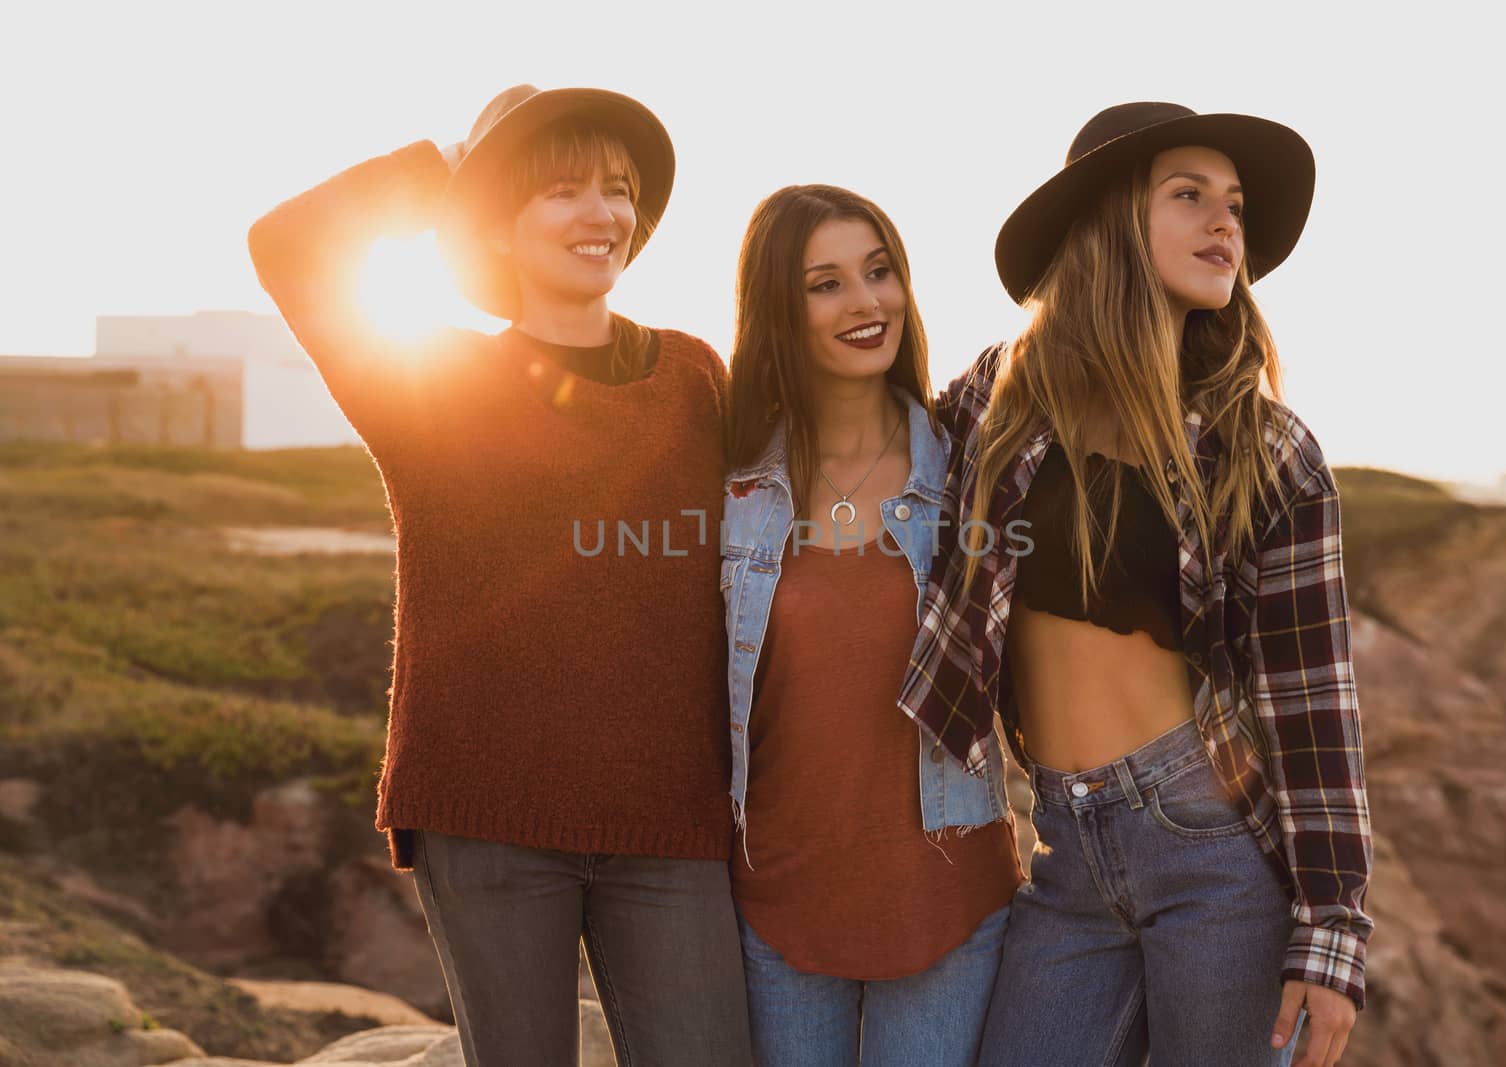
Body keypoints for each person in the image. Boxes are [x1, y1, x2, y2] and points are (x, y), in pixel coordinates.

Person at [247, 84, 751, 1067]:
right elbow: (288, 244)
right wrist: (451, 158)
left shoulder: (694, 378)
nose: (601, 212)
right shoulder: (431, 386)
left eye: (617, 188)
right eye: (560, 189)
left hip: (671, 816)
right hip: (488, 812)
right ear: (497, 222)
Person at [896, 103, 1374, 1067]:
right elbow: (872, 455)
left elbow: (1313, 703)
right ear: (1113, 220)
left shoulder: (1267, 449)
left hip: (1207, 846)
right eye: (1189, 197)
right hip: (1062, 846)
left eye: (1233, 205)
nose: (1226, 225)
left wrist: (1333, 933)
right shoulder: (1001, 396)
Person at [720, 184, 1023, 1065]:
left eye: (879, 271)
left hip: (947, 897)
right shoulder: (733, 484)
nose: (866, 303)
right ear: (778, 306)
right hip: (780, 899)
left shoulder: (971, 462)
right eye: (826, 283)